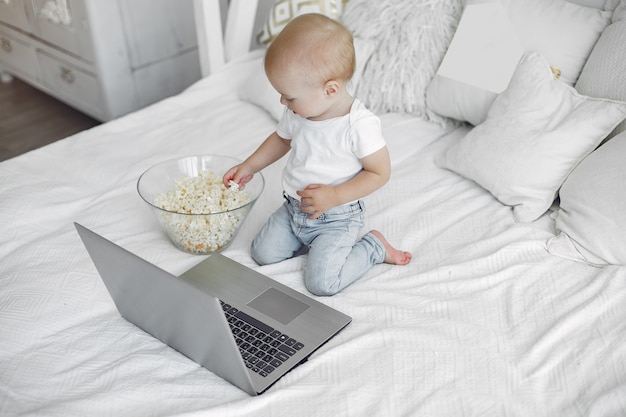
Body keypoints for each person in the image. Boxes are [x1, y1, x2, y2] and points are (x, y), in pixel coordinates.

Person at [223, 13, 411, 296]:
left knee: (322, 284)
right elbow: (280, 140)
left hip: (337, 217)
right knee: (262, 254)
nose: (282, 102)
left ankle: (373, 248)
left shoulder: (358, 124)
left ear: (330, 90)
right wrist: (250, 166)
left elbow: (379, 172)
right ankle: (311, 244)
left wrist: (334, 196)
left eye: (289, 96)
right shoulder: (299, 113)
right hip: (294, 210)